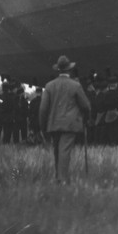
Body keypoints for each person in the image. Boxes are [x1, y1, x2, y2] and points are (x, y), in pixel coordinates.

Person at [38, 55, 91, 184]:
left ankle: (58, 176)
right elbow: (86, 106)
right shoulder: (75, 85)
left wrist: (42, 126)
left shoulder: (49, 86)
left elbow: (43, 109)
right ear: (69, 70)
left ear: (58, 70)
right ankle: (62, 178)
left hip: (53, 123)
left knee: (57, 150)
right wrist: (86, 120)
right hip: (70, 123)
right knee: (64, 150)